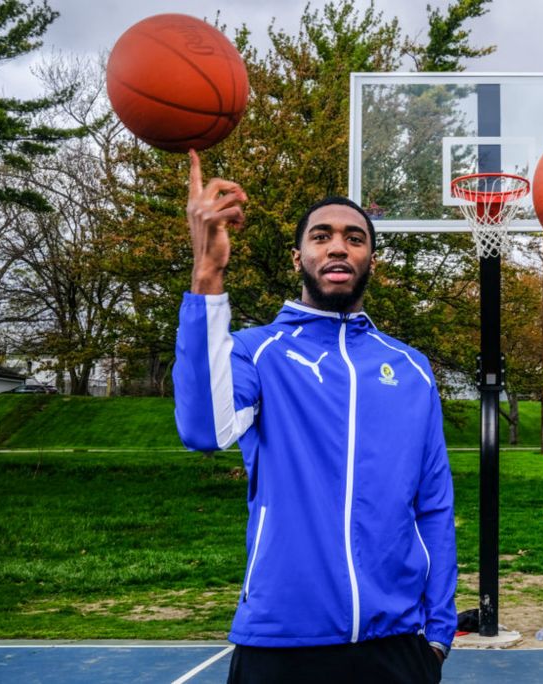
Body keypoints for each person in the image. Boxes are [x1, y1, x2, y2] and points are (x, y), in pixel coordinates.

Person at [173, 151, 456, 684]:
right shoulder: (257, 352)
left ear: (371, 259)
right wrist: (208, 271)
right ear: (298, 256)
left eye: (355, 237)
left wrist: (437, 634)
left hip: (394, 646)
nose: (338, 246)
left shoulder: (411, 368)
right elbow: (203, 431)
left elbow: (434, 506)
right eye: (321, 235)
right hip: (282, 644)